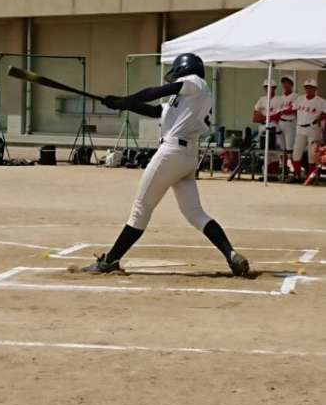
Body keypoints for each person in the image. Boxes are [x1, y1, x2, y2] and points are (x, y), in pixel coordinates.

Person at [82, 53, 250, 277]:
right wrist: (120, 103)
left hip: (171, 153)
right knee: (195, 213)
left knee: (140, 210)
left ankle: (110, 260)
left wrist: (126, 100)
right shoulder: (187, 100)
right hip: (187, 157)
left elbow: (157, 91)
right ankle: (231, 254)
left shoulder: (195, 82)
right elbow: (154, 110)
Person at [288, 79, 326, 183]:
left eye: (311, 88)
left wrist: (318, 119)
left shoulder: (321, 101)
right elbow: (293, 109)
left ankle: (310, 178)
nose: (308, 89)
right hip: (300, 128)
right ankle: (297, 176)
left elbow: (325, 113)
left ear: (315, 89)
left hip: (313, 128)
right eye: (307, 87)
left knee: (312, 155)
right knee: (296, 153)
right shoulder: (300, 99)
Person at [253, 79, 283, 175]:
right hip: (262, 127)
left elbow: (279, 116)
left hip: (274, 128)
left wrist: (265, 117)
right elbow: (255, 116)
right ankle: (267, 173)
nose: (268, 89)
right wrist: (266, 118)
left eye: (270, 87)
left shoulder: (279, 99)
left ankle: (275, 173)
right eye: (266, 87)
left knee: (275, 151)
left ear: (274, 88)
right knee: (265, 152)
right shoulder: (261, 99)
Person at [277, 76, 298, 155]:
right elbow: (277, 111)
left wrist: (283, 111)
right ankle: (283, 162)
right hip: (280, 122)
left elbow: (292, 110)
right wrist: (282, 112)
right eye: (283, 83)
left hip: (290, 122)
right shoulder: (280, 97)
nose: (285, 85)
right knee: (281, 147)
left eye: (287, 83)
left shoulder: (296, 96)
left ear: (291, 84)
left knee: (290, 147)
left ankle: (289, 162)